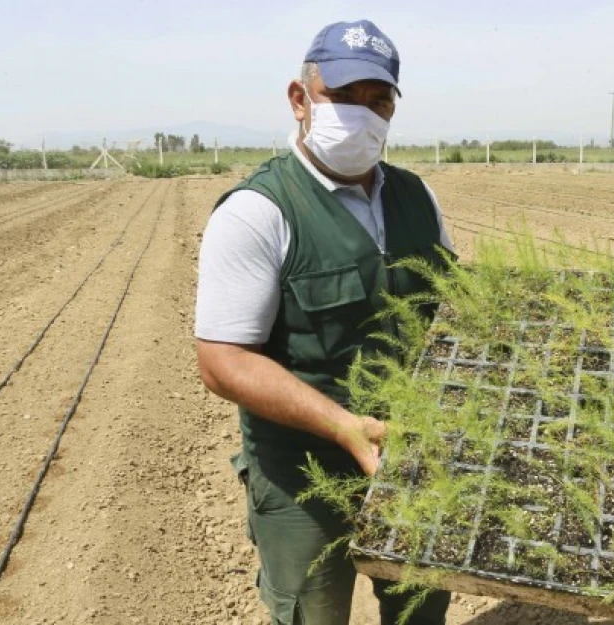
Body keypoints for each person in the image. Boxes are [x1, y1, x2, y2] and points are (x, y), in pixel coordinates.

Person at [194, 19, 454, 625]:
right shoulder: (259, 212)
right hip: (301, 472)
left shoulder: (418, 198)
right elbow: (222, 361)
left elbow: (451, 310)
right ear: (300, 98)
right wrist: (342, 427)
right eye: (343, 97)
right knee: (312, 612)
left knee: (420, 606)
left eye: (378, 100)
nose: (363, 115)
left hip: (411, 455)